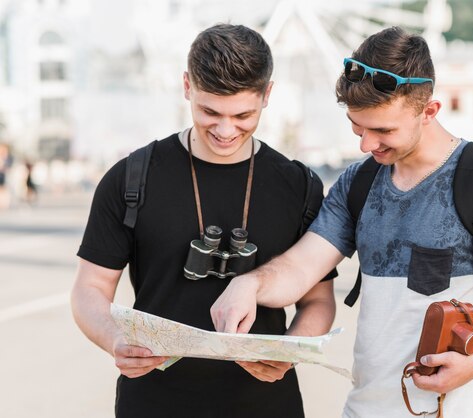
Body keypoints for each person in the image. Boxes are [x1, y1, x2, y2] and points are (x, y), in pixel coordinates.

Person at [211, 27, 473, 418]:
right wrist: (248, 283)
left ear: (429, 111)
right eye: (357, 126)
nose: (366, 145)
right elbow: (300, 267)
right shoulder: (358, 182)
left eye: (383, 130)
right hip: (363, 409)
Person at [70, 24, 336, 418]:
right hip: (153, 403)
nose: (226, 130)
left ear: (268, 95)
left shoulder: (299, 185)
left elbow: (318, 301)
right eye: (209, 112)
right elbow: (89, 289)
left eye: (243, 115)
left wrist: (289, 352)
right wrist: (115, 341)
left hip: (266, 406)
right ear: (186, 86)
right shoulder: (131, 178)